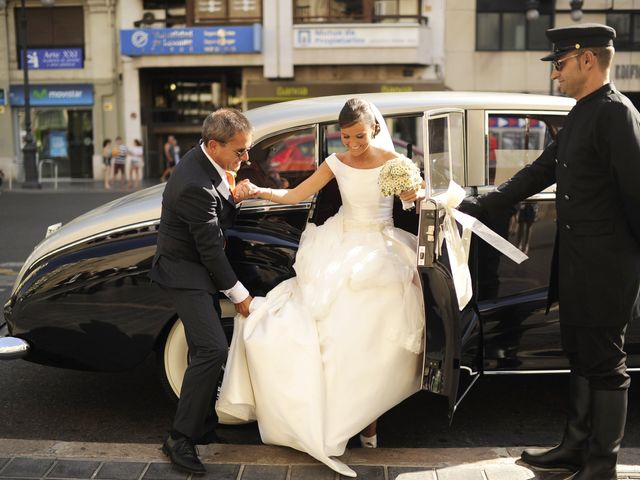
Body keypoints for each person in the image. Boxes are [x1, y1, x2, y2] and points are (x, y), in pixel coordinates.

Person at [463, 24, 640, 480]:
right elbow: (539, 171)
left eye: (559, 64)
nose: (555, 74)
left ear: (587, 60)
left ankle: (602, 464)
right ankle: (575, 447)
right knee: (581, 354)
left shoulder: (618, 114)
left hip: (607, 268)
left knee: (606, 364)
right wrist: (475, 202)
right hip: (578, 262)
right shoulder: (582, 112)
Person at [216, 98, 425, 477]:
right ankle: (334, 417)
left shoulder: (396, 165)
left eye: (359, 135)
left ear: (374, 129)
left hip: (379, 248)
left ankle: (369, 424)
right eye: (345, 137)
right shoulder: (335, 162)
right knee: (333, 337)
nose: (352, 144)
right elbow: (296, 195)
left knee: (374, 341)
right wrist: (258, 191)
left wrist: (414, 194)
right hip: (339, 246)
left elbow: (411, 204)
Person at [149, 108, 254, 475]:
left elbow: (217, 218)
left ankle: (204, 428)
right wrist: (240, 295)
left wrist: (234, 197)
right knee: (212, 349)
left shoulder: (207, 163)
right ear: (214, 145)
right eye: (240, 151)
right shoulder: (195, 181)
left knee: (201, 350)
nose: (246, 158)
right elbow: (210, 247)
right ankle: (179, 438)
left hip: (198, 269)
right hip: (184, 272)